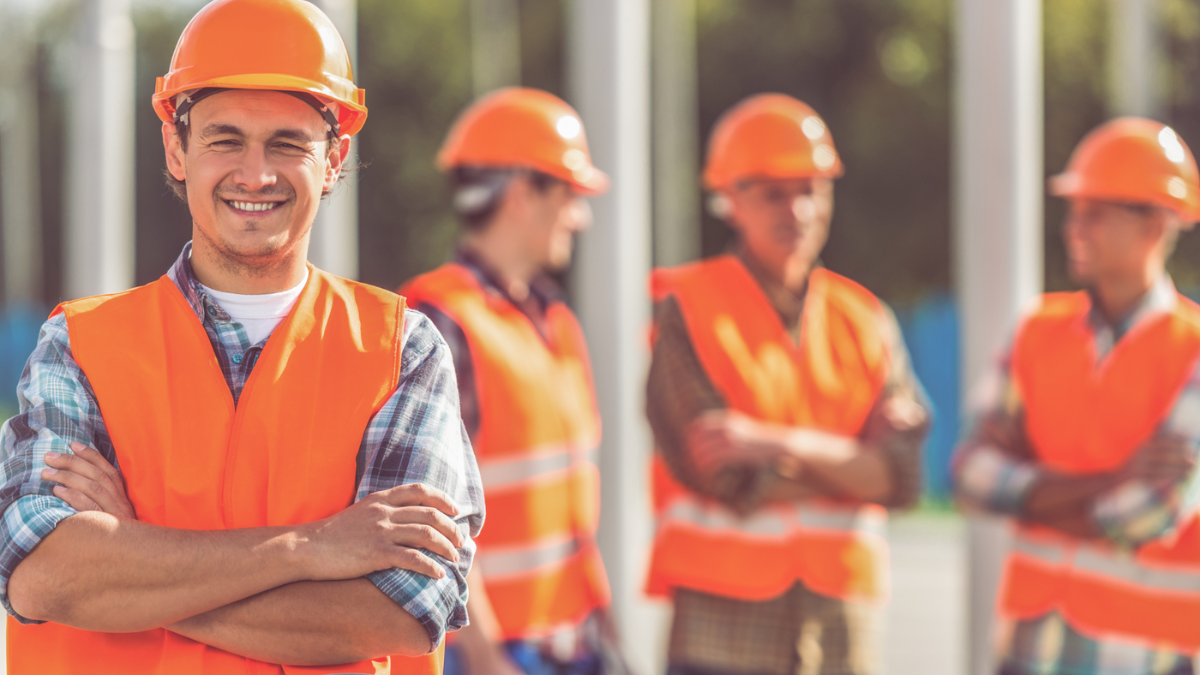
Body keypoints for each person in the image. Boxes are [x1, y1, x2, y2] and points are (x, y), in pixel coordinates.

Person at [0, 0, 483, 672]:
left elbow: (401, 613)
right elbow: (44, 575)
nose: (255, 173)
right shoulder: (78, 344)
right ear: (177, 148)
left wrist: (130, 558)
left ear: (335, 157)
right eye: (225, 139)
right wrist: (310, 548)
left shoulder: (402, 351)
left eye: (287, 143)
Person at [643, 93, 930, 675]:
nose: (797, 210)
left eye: (812, 190)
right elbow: (727, 476)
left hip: (842, 634)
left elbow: (904, 478)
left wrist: (775, 444)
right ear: (729, 199)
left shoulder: (865, 318)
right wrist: (856, 469)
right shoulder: (687, 309)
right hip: (720, 637)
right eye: (775, 192)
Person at [953, 118, 1200, 675]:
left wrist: (1027, 490)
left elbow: (1151, 511)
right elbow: (970, 475)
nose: (1074, 227)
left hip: (1144, 653)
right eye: (1075, 210)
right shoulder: (1037, 329)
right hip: (1030, 645)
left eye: (1095, 212)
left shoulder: (1194, 348)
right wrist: (1115, 478)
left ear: (1154, 224)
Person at [400, 87, 615, 675]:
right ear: (524, 195)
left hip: (573, 641)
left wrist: (604, 621)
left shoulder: (555, 320)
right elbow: (432, 513)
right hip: (496, 654)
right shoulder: (442, 319)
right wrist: (486, 655)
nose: (581, 216)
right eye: (571, 194)